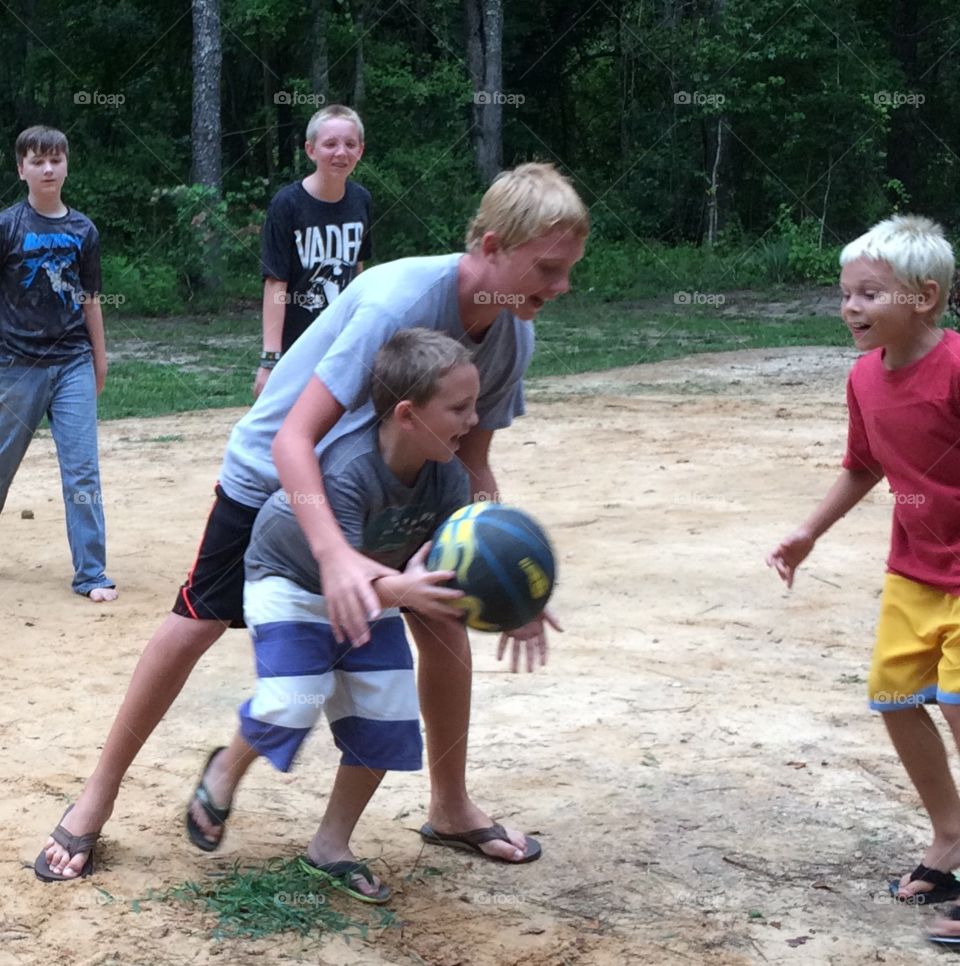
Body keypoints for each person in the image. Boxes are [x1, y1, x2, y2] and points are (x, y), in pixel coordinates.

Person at [36, 161, 588, 881]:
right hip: (277, 477)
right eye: (548, 268)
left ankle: (449, 806)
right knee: (198, 620)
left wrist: (509, 578)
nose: (561, 287)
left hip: (396, 484)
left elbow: (474, 463)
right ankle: (94, 802)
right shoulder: (400, 299)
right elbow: (296, 438)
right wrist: (334, 556)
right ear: (490, 248)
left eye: (568, 269)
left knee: (445, 617)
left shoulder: (513, 335)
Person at [193, 329, 479, 902]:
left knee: (387, 714)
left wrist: (516, 606)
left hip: (377, 588)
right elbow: (345, 574)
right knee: (292, 697)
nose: (474, 421)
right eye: (459, 407)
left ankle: (331, 846)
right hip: (292, 579)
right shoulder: (348, 468)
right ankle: (225, 769)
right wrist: (409, 592)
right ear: (408, 414)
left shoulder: (448, 474)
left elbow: (461, 558)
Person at [765, 215, 960, 943]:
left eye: (870, 294)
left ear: (927, 298)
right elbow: (863, 466)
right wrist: (807, 533)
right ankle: (949, 838)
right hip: (914, 575)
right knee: (896, 698)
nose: (851, 307)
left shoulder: (958, 369)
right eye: (846, 294)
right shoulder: (863, 379)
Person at [0, 125, 116, 603]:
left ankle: (91, 574)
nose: (48, 168)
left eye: (56, 159)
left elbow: (91, 298)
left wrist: (99, 359)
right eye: (37, 160)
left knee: (82, 471)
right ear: (21, 168)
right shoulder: (7, 226)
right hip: (16, 363)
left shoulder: (82, 230)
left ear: (67, 164)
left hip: (72, 361)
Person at [255, 104, 371, 398]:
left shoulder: (361, 201)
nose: (341, 152)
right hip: (298, 344)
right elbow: (275, 282)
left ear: (361, 150)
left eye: (350, 144)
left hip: (343, 342)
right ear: (310, 150)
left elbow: (357, 271)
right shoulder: (287, 205)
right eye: (330, 144)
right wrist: (270, 360)